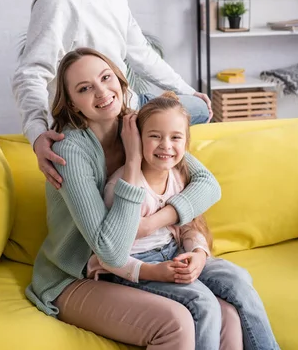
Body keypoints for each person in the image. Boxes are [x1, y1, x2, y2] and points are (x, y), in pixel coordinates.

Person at [26, 47, 242, 350]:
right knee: (177, 321)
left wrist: (156, 222)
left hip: (127, 267)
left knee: (228, 315)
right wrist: (132, 163)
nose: (102, 92)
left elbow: (206, 184)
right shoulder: (70, 151)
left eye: (106, 78)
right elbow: (110, 251)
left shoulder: (138, 125)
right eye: (85, 88)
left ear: (120, 79)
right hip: (76, 278)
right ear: (72, 104)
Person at [12, 0, 212, 189]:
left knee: (199, 108)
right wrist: (38, 135)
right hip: (95, 118)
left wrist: (185, 90)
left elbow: (141, 52)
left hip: (128, 106)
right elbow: (30, 72)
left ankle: (164, 194)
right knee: (177, 127)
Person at [87, 92, 280, 350]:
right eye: (155, 136)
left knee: (237, 279)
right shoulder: (123, 187)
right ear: (137, 140)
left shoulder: (179, 176)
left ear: (186, 141)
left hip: (174, 252)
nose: (166, 145)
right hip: (138, 266)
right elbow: (111, 255)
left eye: (175, 137)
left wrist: (199, 253)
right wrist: (153, 271)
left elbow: (189, 226)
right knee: (203, 303)